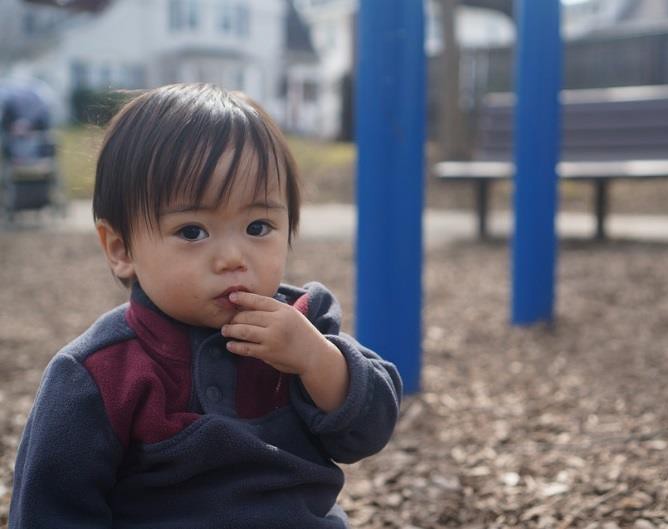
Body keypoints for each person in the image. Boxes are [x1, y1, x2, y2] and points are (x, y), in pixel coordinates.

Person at [9, 83, 402, 528]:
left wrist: (317, 359)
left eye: (258, 226)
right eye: (193, 231)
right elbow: (51, 509)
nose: (233, 257)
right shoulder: (99, 374)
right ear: (121, 248)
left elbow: (367, 433)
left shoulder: (304, 323)